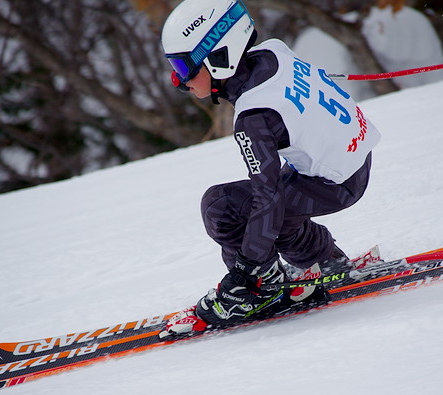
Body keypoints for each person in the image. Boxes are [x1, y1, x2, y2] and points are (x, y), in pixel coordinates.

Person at [159, 0, 381, 336]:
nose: (179, 80)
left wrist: (245, 271)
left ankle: (259, 292)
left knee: (221, 206)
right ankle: (324, 260)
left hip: (334, 181)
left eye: (184, 67)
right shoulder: (272, 54)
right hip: (353, 159)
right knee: (271, 207)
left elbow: (268, 197)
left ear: (219, 56)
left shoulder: (254, 117)